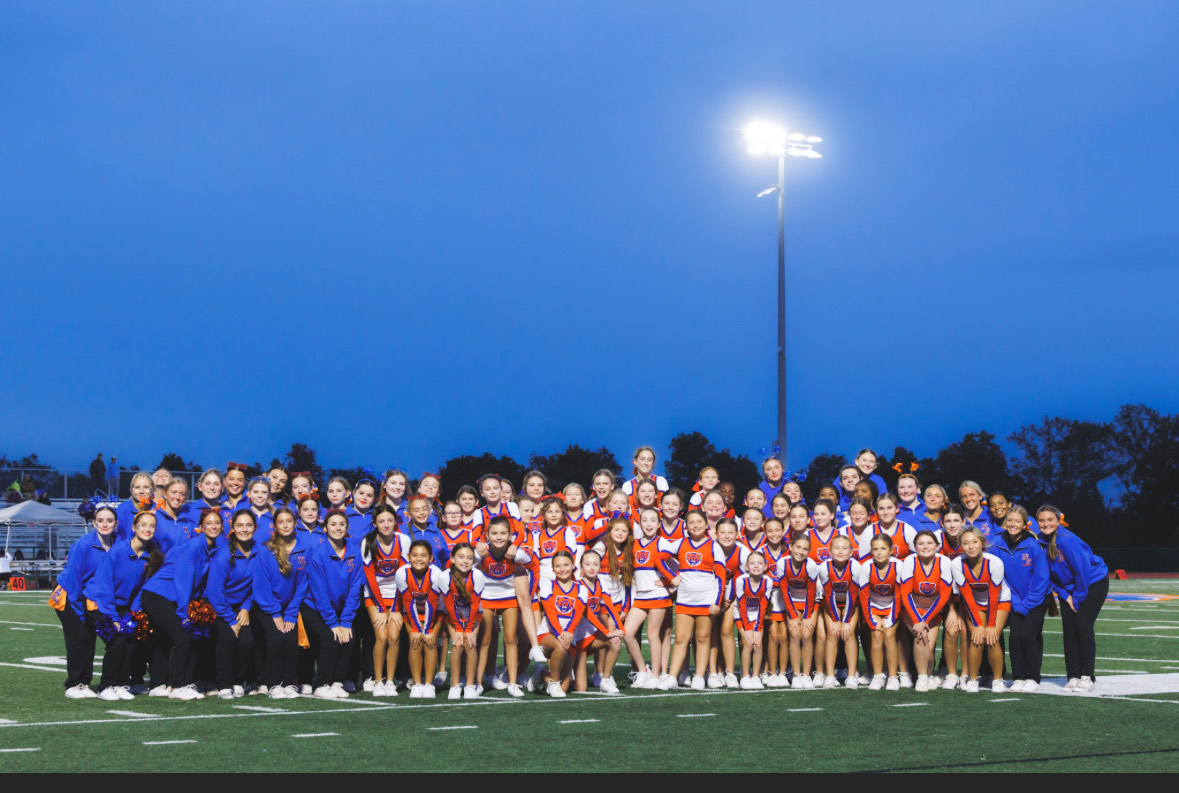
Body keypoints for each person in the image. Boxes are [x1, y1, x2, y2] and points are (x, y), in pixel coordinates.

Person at [140, 507, 225, 700]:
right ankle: (177, 686)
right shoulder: (194, 547)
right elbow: (183, 581)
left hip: (169, 597)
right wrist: (184, 613)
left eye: (217, 523)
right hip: (157, 595)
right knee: (182, 637)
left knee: (165, 639)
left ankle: (156, 684)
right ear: (201, 527)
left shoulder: (212, 548)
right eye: (208, 523)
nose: (213, 526)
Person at [84, 510, 163, 700]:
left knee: (130, 639)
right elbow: (104, 586)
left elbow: (142, 589)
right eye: (143, 525)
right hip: (98, 603)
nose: (147, 529)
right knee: (116, 640)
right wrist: (112, 617)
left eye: (152, 526)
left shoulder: (150, 555)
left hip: (124, 606)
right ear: (134, 527)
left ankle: (121, 683)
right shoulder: (119, 550)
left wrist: (132, 614)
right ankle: (106, 686)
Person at [1036, 504, 1108, 692]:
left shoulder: (1068, 541)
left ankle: (1087, 677)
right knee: (1069, 630)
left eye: (1050, 520)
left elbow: (1082, 573)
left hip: (1092, 583)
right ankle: (1073, 676)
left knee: (1082, 626)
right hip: (1069, 589)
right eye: (1041, 521)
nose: (1046, 524)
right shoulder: (1039, 542)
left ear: (1058, 520)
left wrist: (1076, 598)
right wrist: (1065, 596)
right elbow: (1047, 576)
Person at [49, 504, 117, 698]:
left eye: (109, 520)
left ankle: (84, 682)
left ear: (116, 523)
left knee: (90, 636)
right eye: (101, 520)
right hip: (68, 594)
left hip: (88, 595)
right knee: (78, 636)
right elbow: (73, 582)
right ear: (94, 523)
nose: (105, 524)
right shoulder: (82, 545)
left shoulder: (118, 543)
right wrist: (79, 613)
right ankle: (73, 684)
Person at [658, 510, 724, 690]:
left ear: (706, 525)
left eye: (699, 522)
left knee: (703, 638)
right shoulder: (680, 543)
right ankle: (672, 677)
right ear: (686, 526)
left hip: (706, 599)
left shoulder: (714, 546)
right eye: (692, 522)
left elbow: (720, 577)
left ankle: (699, 677)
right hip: (685, 600)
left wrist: (717, 601)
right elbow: (658, 559)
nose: (696, 525)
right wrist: (671, 577)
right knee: (681, 638)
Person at [251, 505, 311, 699]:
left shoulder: (304, 547)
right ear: (275, 526)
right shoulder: (265, 549)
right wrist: (276, 613)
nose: (285, 525)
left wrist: (291, 613)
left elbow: (303, 583)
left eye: (289, 521)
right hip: (267, 606)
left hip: (290, 607)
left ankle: (290, 682)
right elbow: (261, 584)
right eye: (280, 522)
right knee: (277, 639)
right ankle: (273, 683)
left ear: (295, 523)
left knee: (291, 639)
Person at [304, 510, 364, 699]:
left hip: (340, 609)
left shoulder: (354, 551)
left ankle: (338, 681)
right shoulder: (319, 555)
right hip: (314, 607)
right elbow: (319, 594)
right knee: (331, 638)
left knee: (350, 637)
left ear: (347, 528)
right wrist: (333, 623)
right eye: (333, 524)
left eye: (341, 524)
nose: (337, 528)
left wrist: (345, 621)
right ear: (325, 529)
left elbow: (355, 588)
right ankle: (321, 683)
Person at [474, 517, 536, 698]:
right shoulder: (481, 553)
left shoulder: (517, 554)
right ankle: (478, 682)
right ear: (487, 535)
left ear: (510, 535)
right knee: (484, 640)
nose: (499, 537)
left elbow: (533, 565)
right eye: (494, 533)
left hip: (509, 597)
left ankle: (513, 683)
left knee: (510, 639)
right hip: (486, 597)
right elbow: (462, 564)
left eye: (503, 533)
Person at [992, 505, 1049, 692]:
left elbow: (1041, 578)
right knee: (1015, 637)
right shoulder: (996, 543)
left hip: (1036, 599)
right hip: (1013, 600)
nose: (1013, 524)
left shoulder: (1032, 544)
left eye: (1017, 521)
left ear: (1025, 524)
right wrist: (1015, 602)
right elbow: (999, 576)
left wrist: (1028, 603)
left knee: (1029, 636)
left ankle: (1033, 677)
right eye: (1010, 521)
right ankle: (1019, 676)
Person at [205, 510, 259, 699]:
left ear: (255, 527)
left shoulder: (261, 552)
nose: (244, 530)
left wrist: (246, 608)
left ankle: (238, 681)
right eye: (240, 526)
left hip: (241, 606)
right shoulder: (224, 556)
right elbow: (214, 592)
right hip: (219, 607)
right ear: (233, 529)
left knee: (247, 641)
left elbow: (259, 586)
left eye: (249, 525)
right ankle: (224, 684)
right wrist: (230, 619)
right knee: (228, 638)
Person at [951, 527, 1012, 693]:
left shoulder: (994, 563)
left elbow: (994, 595)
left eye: (974, 542)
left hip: (999, 601)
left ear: (982, 544)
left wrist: (990, 625)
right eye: (965, 543)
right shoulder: (957, 564)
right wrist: (978, 624)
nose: (970, 546)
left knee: (992, 638)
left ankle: (998, 679)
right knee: (977, 639)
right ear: (961, 546)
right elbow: (967, 595)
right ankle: (972, 679)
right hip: (975, 604)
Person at [361, 504, 411, 696]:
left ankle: (390, 681)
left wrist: (396, 608)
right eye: (381, 521)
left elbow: (403, 575)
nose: (386, 524)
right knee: (381, 636)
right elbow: (370, 577)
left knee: (394, 636)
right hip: (374, 596)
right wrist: (382, 607)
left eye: (390, 520)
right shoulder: (368, 541)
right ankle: (377, 680)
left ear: (395, 521)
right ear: (374, 523)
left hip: (397, 594)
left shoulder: (403, 540)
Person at [898, 530, 953, 692]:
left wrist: (925, 620)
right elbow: (905, 594)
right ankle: (922, 678)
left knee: (929, 646)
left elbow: (944, 596)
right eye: (920, 544)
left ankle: (928, 674)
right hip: (912, 610)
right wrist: (917, 620)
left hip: (933, 611)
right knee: (920, 637)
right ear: (914, 547)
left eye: (929, 543)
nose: (925, 546)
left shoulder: (944, 562)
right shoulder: (910, 561)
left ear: (937, 546)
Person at [625, 508, 672, 689]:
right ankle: (643, 671)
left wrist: (669, 584)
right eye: (645, 520)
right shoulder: (634, 544)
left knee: (653, 634)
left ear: (659, 524)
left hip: (658, 595)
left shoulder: (663, 543)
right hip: (640, 596)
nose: (649, 524)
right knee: (627, 633)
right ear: (640, 523)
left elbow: (679, 566)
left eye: (653, 520)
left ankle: (656, 675)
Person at [571, 549, 625, 694]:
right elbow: (589, 615)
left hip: (591, 636)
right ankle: (547, 674)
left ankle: (605, 679)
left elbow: (610, 606)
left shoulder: (601, 583)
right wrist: (606, 632)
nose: (592, 567)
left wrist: (620, 628)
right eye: (588, 564)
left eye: (595, 564)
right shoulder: (578, 585)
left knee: (615, 640)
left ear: (600, 566)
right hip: (577, 640)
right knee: (580, 688)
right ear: (581, 566)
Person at [438, 543, 485, 699]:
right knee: (457, 644)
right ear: (452, 559)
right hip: (454, 615)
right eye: (461, 557)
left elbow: (475, 604)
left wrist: (469, 628)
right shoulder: (445, 576)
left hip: (473, 614)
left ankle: (470, 685)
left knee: (471, 644)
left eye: (469, 558)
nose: (465, 561)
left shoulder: (477, 576)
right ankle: (455, 685)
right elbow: (450, 606)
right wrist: (459, 628)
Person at [856, 534, 902, 690]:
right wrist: (871, 620)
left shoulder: (898, 566)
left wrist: (891, 617)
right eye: (875, 549)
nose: (879, 552)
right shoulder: (866, 567)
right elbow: (863, 596)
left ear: (891, 550)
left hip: (892, 606)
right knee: (876, 634)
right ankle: (877, 675)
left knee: (889, 635)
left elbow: (899, 595)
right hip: (873, 605)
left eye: (883, 548)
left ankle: (893, 676)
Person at [778, 534, 822, 689]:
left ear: (809, 551)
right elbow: (784, 591)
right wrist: (793, 615)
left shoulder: (811, 566)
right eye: (798, 547)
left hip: (811, 601)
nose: (801, 551)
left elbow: (812, 593)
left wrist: (808, 616)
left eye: (805, 549)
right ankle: (796, 675)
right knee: (795, 633)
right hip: (792, 599)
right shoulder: (782, 563)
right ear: (790, 547)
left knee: (807, 633)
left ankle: (806, 674)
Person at [818, 535, 861, 689]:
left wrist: (846, 620)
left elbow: (853, 594)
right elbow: (829, 594)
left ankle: (851, 675)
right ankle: (830, 676)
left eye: (844, 548)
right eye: (836, 548)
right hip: (832, 603)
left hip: (852, 603)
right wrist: (836, 620)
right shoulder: (824, 567)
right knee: (832, 633)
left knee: (849, 634)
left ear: (851, 551)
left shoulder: (855, 567)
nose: (840, 551)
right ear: (830, 551)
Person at [731, 551, 771, 688]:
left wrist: (757, 628)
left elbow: (763, 605)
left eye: (760, 563)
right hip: (741, 615)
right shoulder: (741, 580)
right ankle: (745, 676)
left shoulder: (767, 581)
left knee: (758, 644)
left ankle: (755, 676)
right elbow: (741, 605)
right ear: (747, 566)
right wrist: (748, 628)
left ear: (765, 566)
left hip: (757, 615)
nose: (756, 566)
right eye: (752, 563)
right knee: (748, 642)